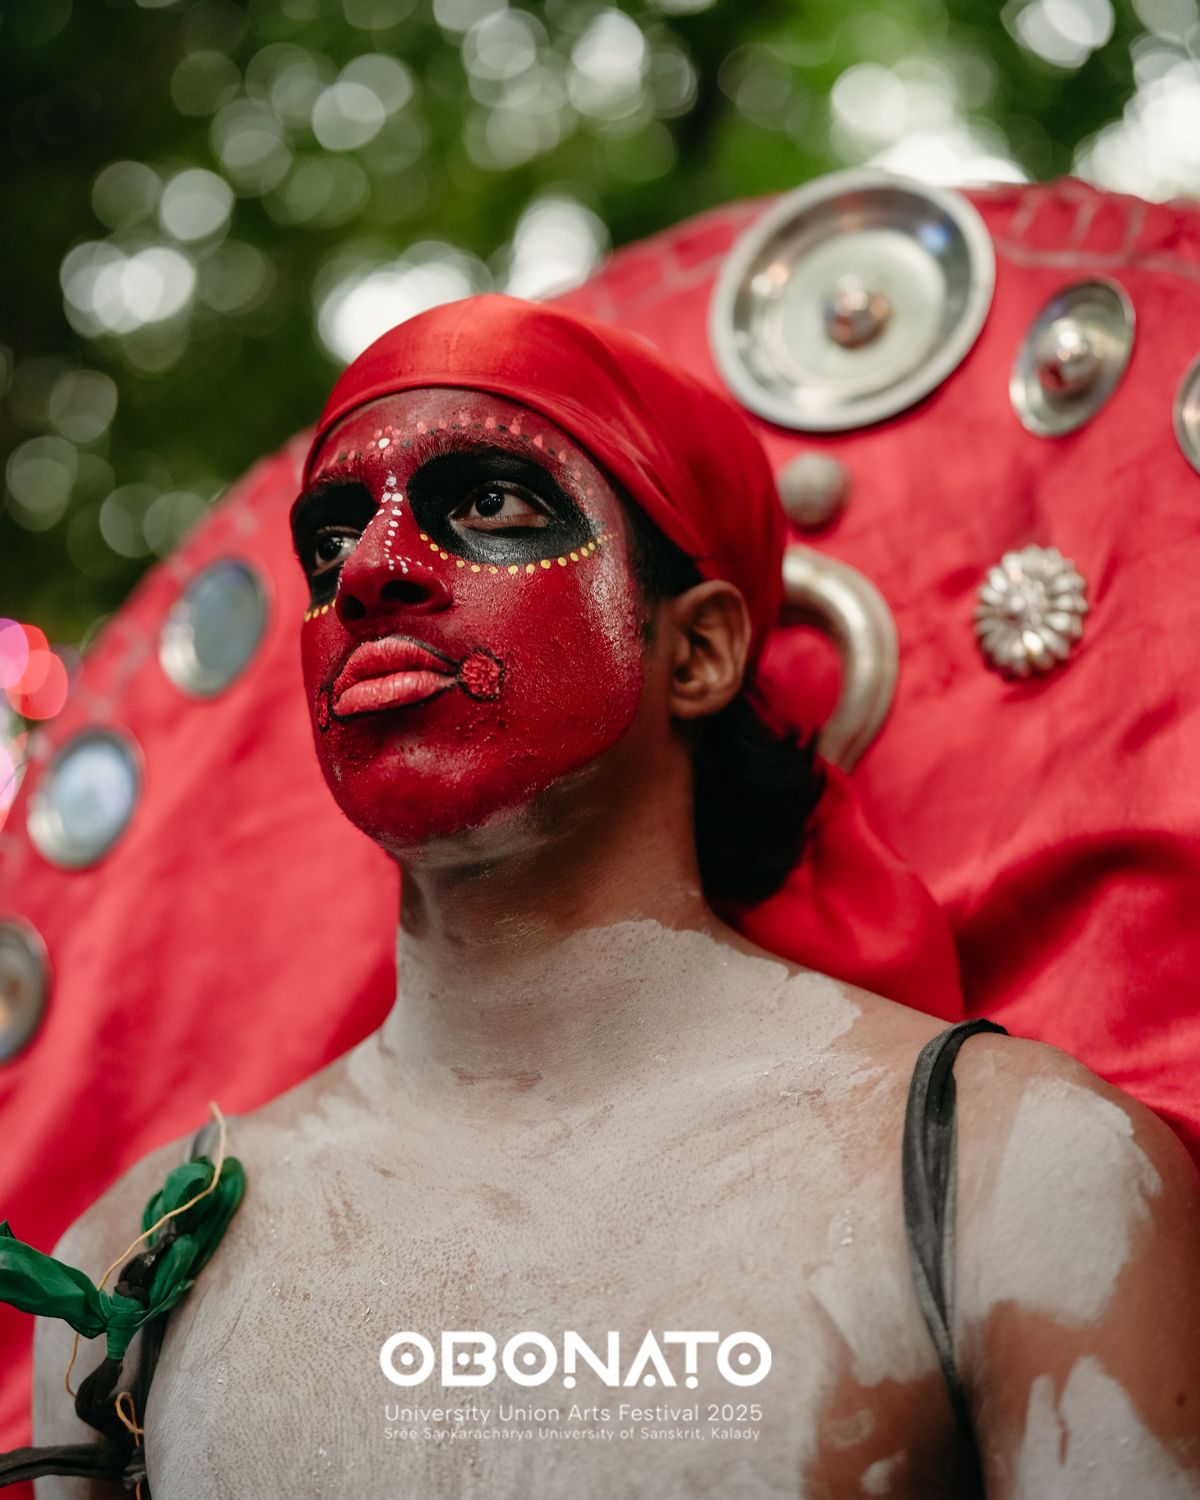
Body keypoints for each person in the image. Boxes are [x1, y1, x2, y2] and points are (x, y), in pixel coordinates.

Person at [26, 296, 1200, 1497]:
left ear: (695, 650)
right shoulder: (133, 1259)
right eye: (330, 538)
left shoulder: (1018, 1168)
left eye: (486, 503)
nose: (372, 569)